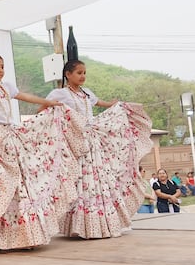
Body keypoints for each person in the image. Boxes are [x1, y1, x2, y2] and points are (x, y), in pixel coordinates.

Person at [0, 52, 85, 251]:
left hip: (9, 136)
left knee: (18, 185)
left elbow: (24, 96)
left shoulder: (6, 88)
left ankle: (21, 235)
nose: (0, 70)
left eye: (2, 66)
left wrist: (47, 103)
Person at [41, 59, 153, 239]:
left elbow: (99, 103)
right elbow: (44, 108)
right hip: (76, 141)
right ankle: (80, 225)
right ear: (68, 74)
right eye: (79, 72)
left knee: (98, 181)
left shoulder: (86, 93)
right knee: (81, 181)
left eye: (84, 72)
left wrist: (114, 105)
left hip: (93, 142)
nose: (82, 76)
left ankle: (101, 223)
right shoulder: (60, 93)